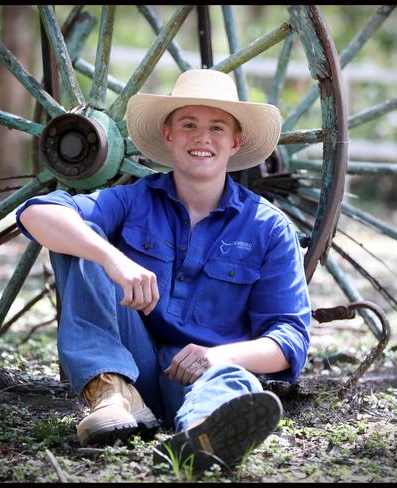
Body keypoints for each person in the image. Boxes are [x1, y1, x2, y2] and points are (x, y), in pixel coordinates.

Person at [16, 69, 311, 473]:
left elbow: (289, 338)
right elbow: (38, 212)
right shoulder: (135, 200)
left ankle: (202, 434)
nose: (202, 137)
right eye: (188, 124)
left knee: (233, 380)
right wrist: (112, 258)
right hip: (129, 365)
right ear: (169, 135)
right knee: (81, 240)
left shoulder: (268, 228)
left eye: (217, 127)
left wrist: (214, 356)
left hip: (197, 378)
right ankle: (110, 395)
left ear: (235, 142)